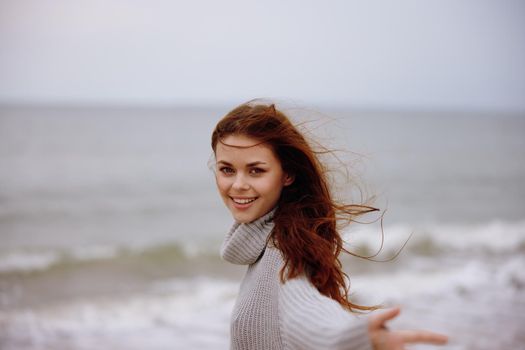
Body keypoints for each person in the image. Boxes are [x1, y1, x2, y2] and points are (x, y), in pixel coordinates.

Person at [210, 100, 448, 350]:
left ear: (287, 175)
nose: (238, 184)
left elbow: (309, 314)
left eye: (256, 171)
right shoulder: (269, 245)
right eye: (226, 170)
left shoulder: (280, 254)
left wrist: (361, 338)